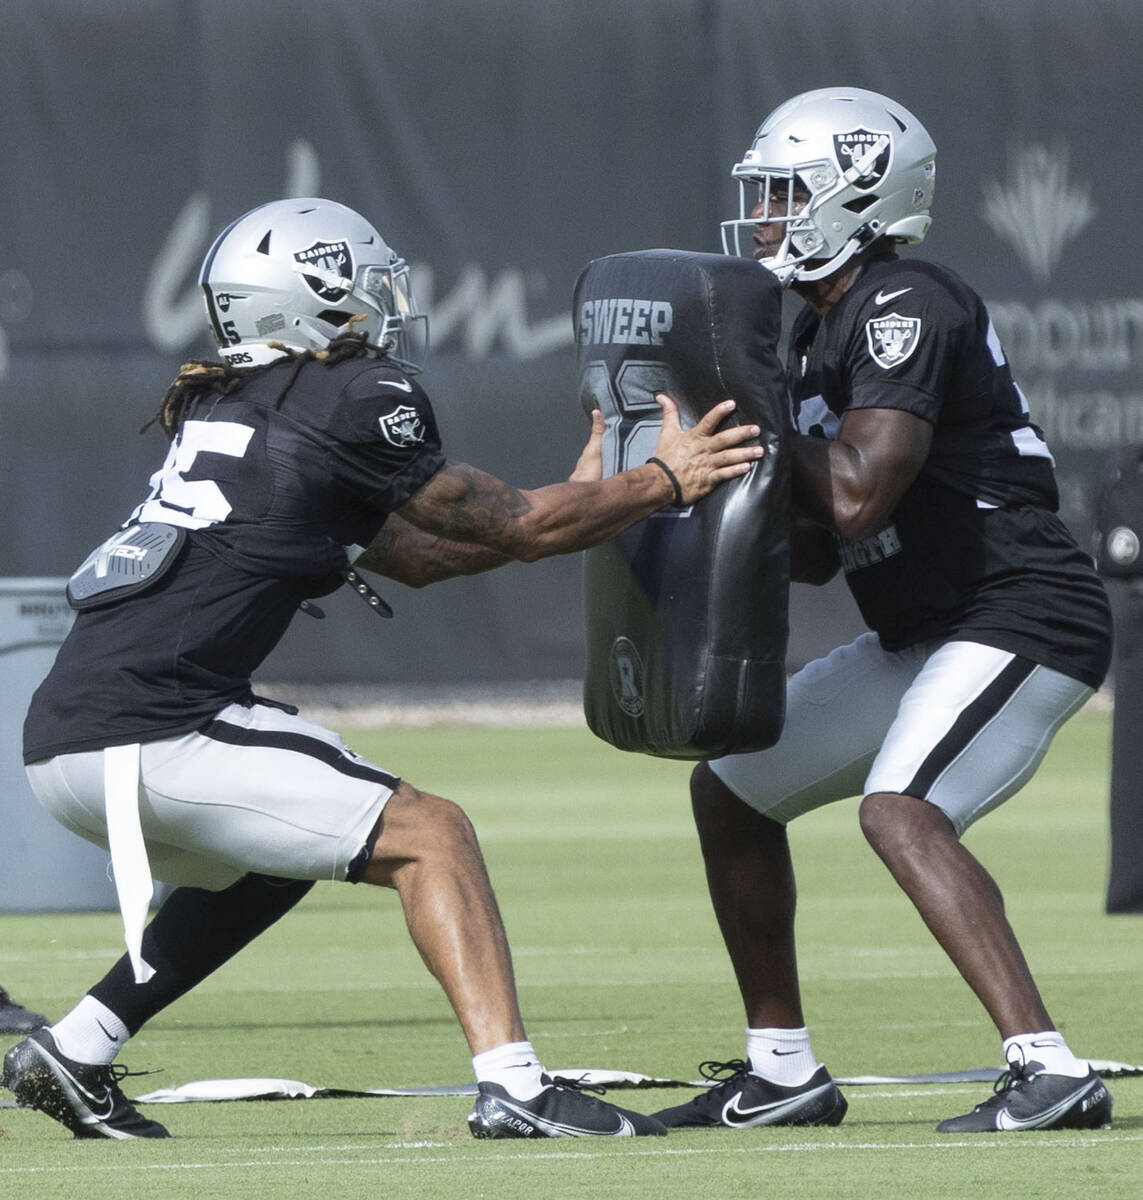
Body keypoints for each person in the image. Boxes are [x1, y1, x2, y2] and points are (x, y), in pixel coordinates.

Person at [2, 197, 763, 1142]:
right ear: (311, 298)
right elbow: (518, 524)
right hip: (158, 728)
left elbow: (426, 554)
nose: (380, 305)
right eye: (362, 285)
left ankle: (75, 1048)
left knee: (265, 867)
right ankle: (517, 1089)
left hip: (63, 744)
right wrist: (661, 480)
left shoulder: (229, 399)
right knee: (432, 834)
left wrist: (597, 501)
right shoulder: (351, 391)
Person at [649, 88, 1115, 1134]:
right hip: (926, 630)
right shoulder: (818, 341)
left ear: (858, 195)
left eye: (784, 194)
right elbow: (820, 549)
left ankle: (1047, 1068)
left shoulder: (907, 301)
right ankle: (782, 1072)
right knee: (731, 793)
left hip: (1019, 611)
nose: (764, 217)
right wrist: (684, 496)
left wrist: (760, 411)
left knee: (901, 810)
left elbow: (858, 491)